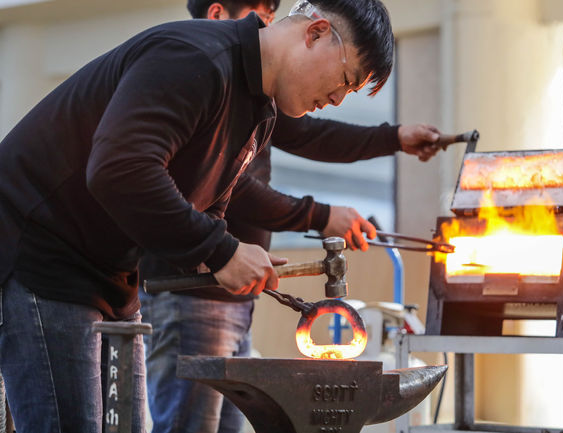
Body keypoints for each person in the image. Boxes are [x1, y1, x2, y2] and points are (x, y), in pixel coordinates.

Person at [0, 0, 395, 431]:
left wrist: (224, 256)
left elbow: (207, 205)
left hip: (110, 276)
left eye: (350, 93)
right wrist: (222, 250)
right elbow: (120, 168)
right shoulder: (196, 59)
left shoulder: (259, 110)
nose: (338, 99)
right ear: (316, 32)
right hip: (40, 253)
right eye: (345, 80)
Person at [140, 1, 447, 433]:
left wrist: (394, 137)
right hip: (195, 290)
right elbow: (230, 189)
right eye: (261, 19)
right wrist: (318, 215)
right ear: (217, 16)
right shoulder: (205, 75)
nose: (269, 30)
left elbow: (310, 133)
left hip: (230, 293)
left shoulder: (258, 93)